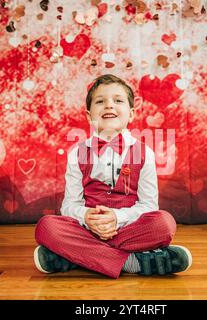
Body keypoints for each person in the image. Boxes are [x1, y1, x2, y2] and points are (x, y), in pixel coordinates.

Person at [34, 74, 192, 278]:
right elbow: (69, 206)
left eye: (118, 100)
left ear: (132, 113)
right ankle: (134, 262)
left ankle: (75, 256)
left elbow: (149, 206)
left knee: (164, 223)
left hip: (128, 228)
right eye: (100, 101)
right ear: (89, 115)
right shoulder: (77, 153)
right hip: (88, 228)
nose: (109, 105)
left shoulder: (145, 153)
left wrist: (117, 218)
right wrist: (86, 217)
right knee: (46, 227)